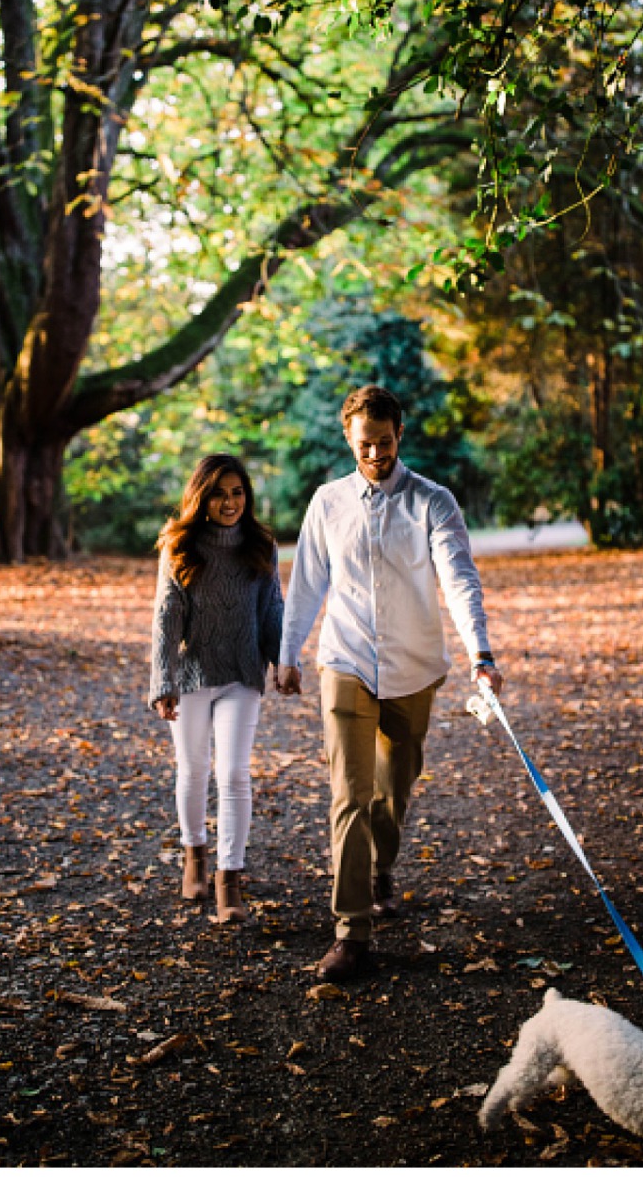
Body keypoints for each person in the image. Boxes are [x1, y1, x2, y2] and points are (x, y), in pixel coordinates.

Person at [278, 384, 503, 981]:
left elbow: (459, 577)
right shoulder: (327, 503)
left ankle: (380, 869)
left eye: (383, 443)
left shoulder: (433, 501)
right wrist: (288, 653)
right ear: (348, 440)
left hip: (413, 669)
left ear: (399, 436)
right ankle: (352, 930)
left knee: (392, 792)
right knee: (348, 796)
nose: (374, 454)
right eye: (363, 445)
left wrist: (480, 650)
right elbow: (305, 585)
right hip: (345, 662)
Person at [147, 453, 284, 925]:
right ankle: (194, 856)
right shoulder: (180, 545)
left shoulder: (261, 546)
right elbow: (166, 618)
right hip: (191, 676)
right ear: (202, 497)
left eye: (238, 492)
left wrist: (285, 660)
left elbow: (272, 610)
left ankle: (230, 877)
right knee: (193, 769)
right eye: (220, 494)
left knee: (233, 774)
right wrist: (162, 680)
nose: (230, 502)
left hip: (242, 673)